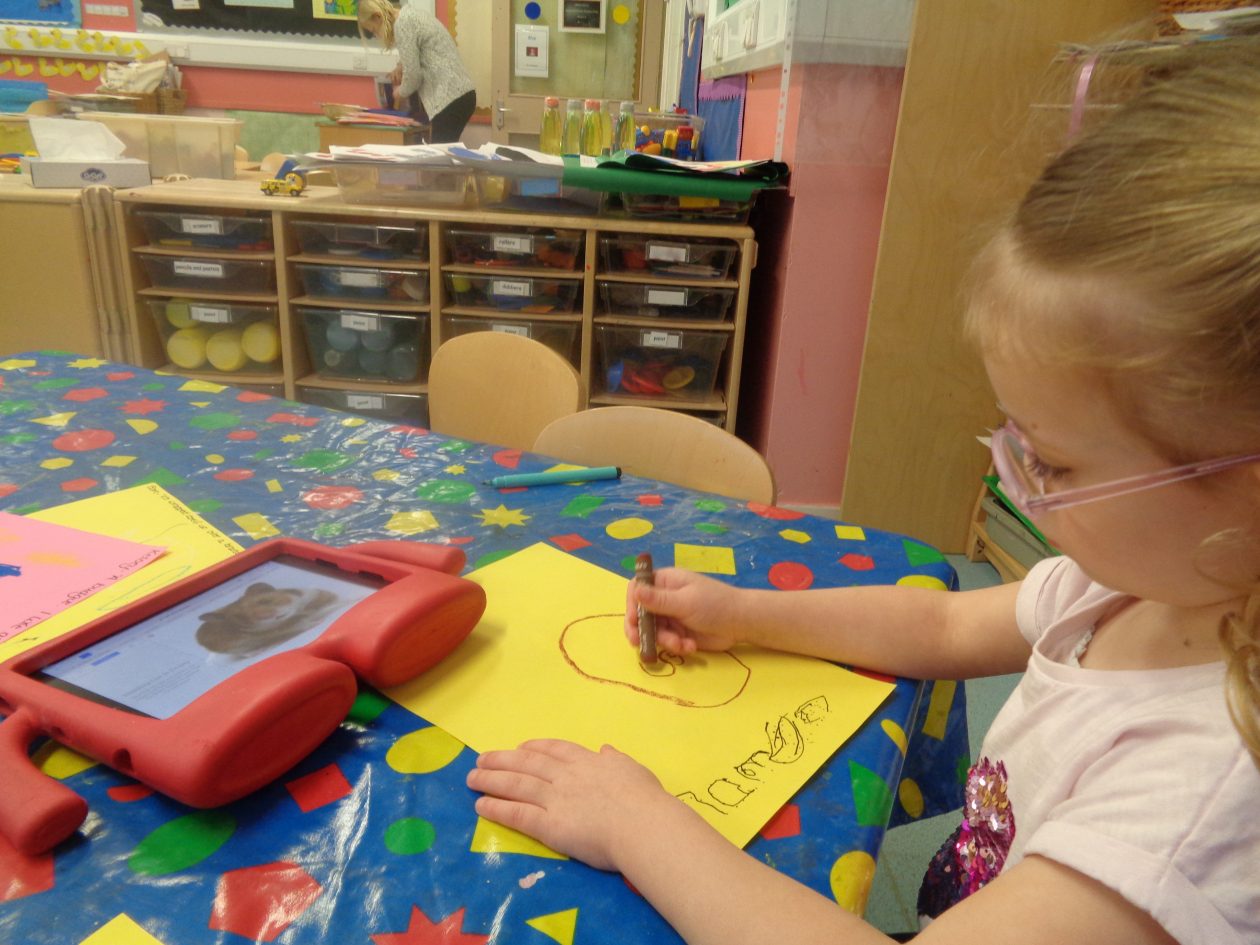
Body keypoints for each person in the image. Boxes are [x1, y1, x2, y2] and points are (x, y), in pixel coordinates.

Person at [466, 35, 1260, 945]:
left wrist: (636, 822)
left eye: (1054, 461)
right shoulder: (1138, 583)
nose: (1014, 476)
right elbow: (945, 625)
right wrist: (744, 613)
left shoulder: (1201, 804)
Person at [357, 0, 476, 143]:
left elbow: (413, 77)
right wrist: (400, 66)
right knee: (445, 151)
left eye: (374, 30)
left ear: (377, 17)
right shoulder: (410, 15)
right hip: (460, 94)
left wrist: (399, 92)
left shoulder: (403, 23)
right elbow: (422, 51)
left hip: (449, 98)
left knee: (440, 154)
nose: (377, 36)